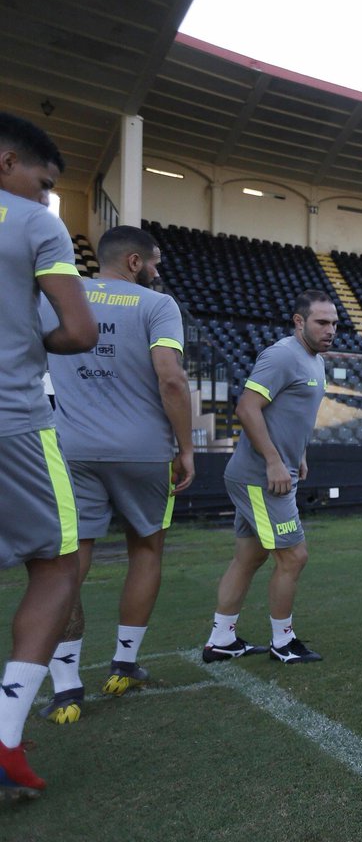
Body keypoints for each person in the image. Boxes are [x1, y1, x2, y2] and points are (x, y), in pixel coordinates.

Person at [37, 226, 195, 724]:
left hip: (72, 449)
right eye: (155, 261)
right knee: (145, 549)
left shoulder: (59, 298)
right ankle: (124, 665)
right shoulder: (157, 305)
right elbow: (171, 378)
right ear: (133, 261)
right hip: (143, 451)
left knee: (68, 563)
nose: (157, 270)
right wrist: (187, 448)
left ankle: (66, 687)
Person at [0, 112, 97, 796]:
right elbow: (80, 330)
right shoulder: (34, 223)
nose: (47, 196)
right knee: (58, 565)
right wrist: (33, 343)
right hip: (13, 420)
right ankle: (4, 738)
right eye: (44, 181)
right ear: (7, 163)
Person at [201, 290, 335, 665]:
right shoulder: (281, 355)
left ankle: (221, 640)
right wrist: (275, 461)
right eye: (321, 322)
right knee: (294, 556)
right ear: (299, 321)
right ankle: (283, 642)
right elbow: (247, 407)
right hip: (261, 476)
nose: (330, 330)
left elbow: (290, 413)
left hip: (271, 473)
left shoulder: (315, 360)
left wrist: (299, 455)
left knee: (249, 556)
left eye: (334, 323)